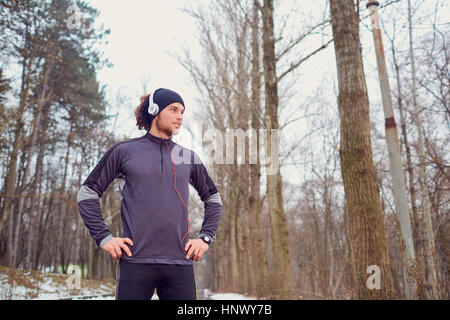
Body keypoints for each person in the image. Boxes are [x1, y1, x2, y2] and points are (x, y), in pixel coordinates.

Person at [77, 88, 223, 300]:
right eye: (173, 109)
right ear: (154, 110)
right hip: (135, 262)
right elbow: (87, 192)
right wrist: (104, 238)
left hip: (180, 263)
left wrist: (205, 237)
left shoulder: (188, 157)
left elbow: (213, 198)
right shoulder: (124, 151)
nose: (180, 116)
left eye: (182, 111)